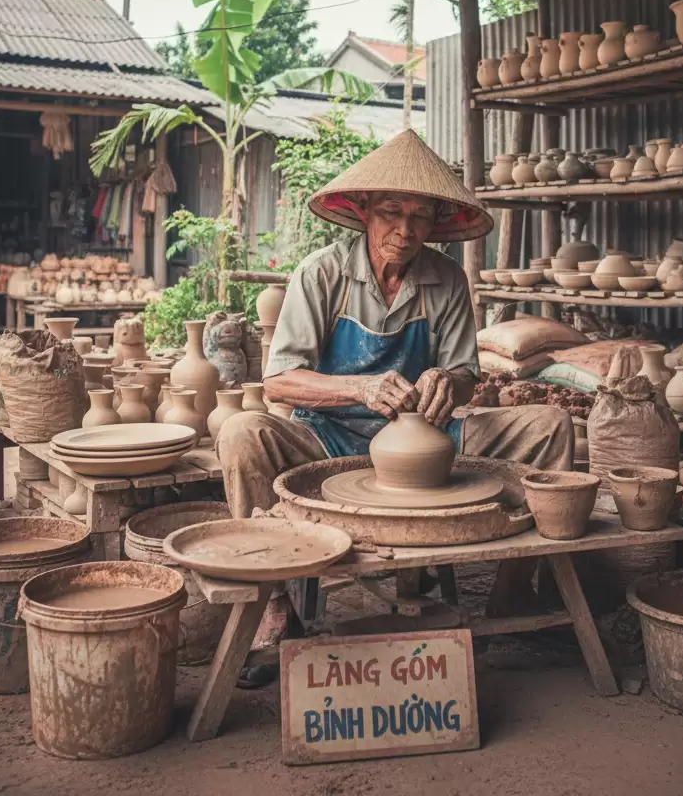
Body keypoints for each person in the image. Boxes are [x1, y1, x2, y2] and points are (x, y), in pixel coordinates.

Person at [216, 131, 574, 672]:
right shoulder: (322, 273)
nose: (405, 230)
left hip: (429, 436)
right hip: (328, 436)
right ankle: (273, 605)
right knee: (241, 432)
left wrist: (445, 382)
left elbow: (466, 377)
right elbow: (280, 382)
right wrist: (359, 388)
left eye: (420, 216)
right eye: (391, 212)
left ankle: (512, 592)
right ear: (363, 210)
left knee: (550, 425)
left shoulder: (446, 278)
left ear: (436, 223)